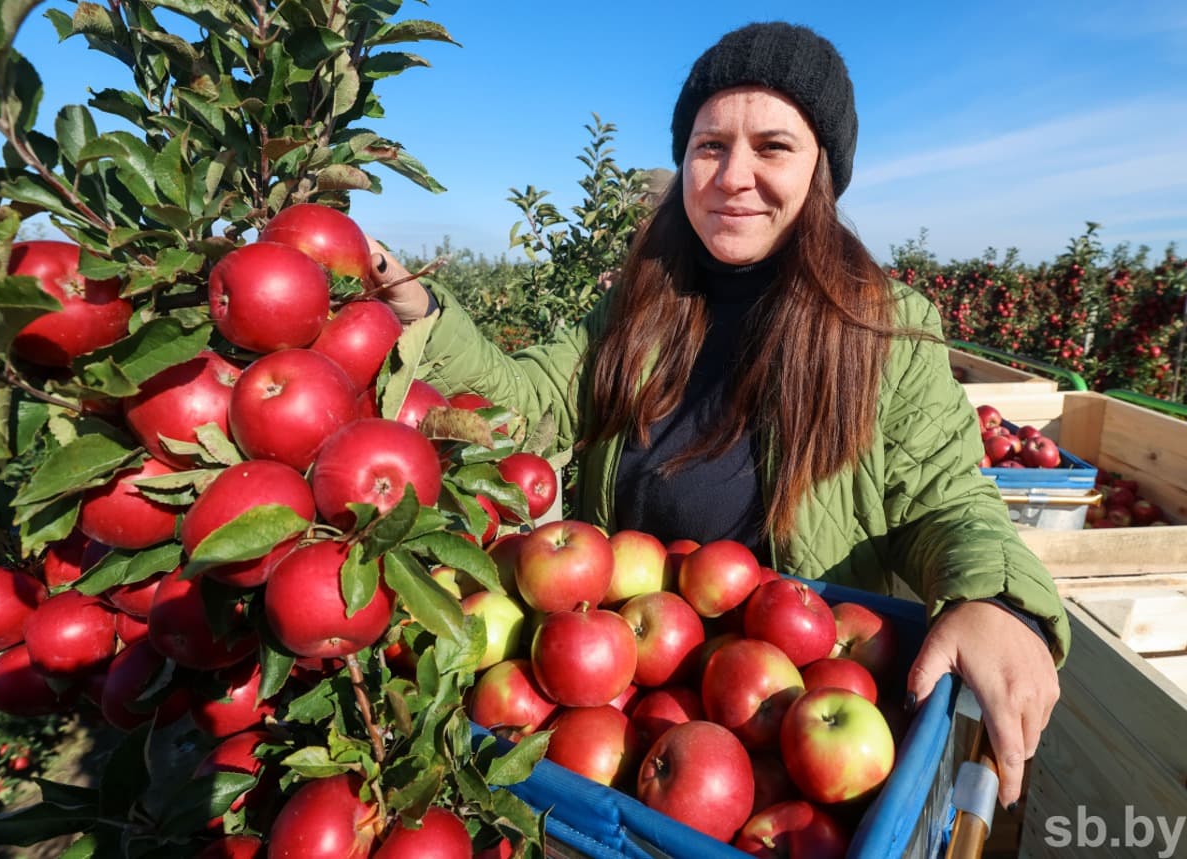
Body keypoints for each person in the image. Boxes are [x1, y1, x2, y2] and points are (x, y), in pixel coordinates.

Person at [367, 21, 1065, 811]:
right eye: (709, 146)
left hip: (787, 732)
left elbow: (944, 499)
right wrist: (418, 311)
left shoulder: (882, 331)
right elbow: (526, 407)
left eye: (773, 146)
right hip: (625, 699)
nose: (735, 175)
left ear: (821, 169)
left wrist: (996, 599)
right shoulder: (639, 305)